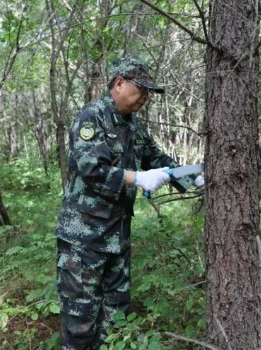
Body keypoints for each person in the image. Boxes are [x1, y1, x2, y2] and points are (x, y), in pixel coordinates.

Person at [54, 56, 203, 349]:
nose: (145, 96)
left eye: (149, 91)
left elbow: (157, 159)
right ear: (119, 83)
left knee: (116, 321)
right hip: (83, 242)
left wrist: (192, 175)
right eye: (141, 88)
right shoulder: (92, 116)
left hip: (117, 239)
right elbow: (91, 168)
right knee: (80, 324)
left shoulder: (134, 126)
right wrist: (137, 178)